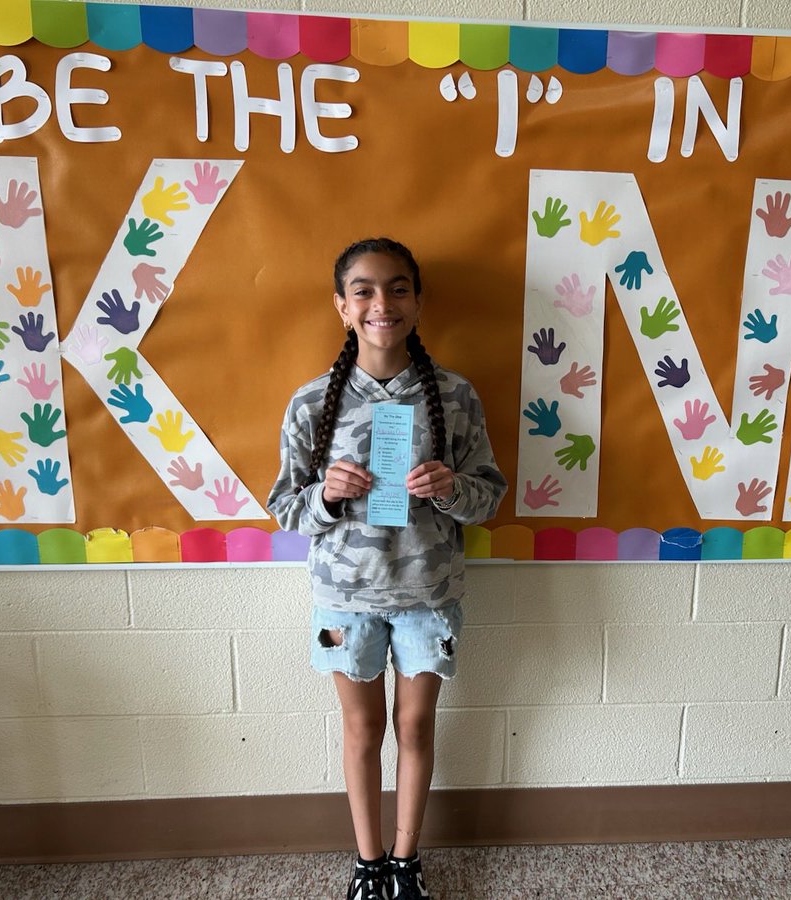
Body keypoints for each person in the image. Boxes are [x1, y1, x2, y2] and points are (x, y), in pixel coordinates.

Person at [267, 238, 507, 900]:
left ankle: (406, 861)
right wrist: (327, 494)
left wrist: (451, 486)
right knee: (362, 729)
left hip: (427, 597)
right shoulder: (312, 402)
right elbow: (285, 507)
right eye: (365, 290)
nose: (382, 303)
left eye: (398, 288)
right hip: (344, 601)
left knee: (414, 727)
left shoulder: (454, 396)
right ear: (342, 307)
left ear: (419, 302)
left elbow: (489, 497)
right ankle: (367, 862)